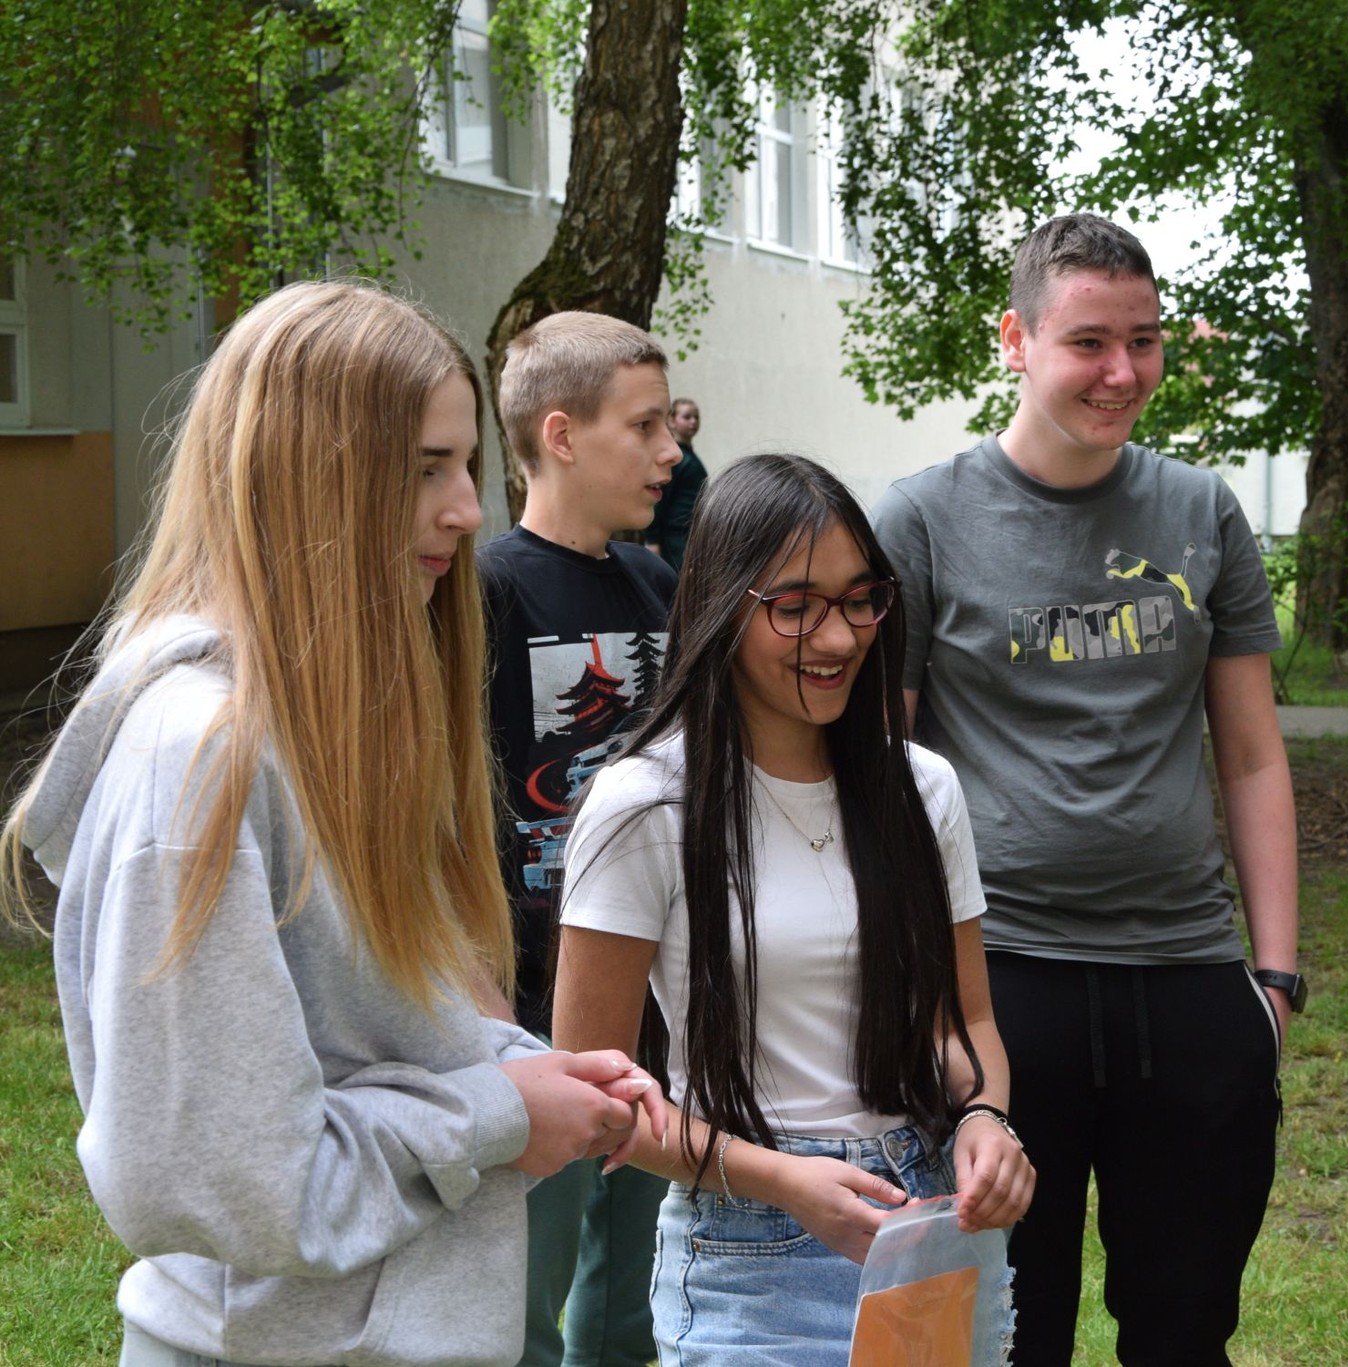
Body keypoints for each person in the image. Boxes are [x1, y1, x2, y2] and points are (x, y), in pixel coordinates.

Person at [0, 279, 662, 1367]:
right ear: (309, 476)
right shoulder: (199, 758)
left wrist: (526, 1067)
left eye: (465, 466)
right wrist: (497, 1112)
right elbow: (231, 1180)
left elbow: (377, 1033)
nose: (468, 511)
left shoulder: (338, 725)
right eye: (425, 469)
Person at [872, 213, 1301, 1366]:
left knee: (1183, 1333)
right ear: (1014, 340)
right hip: (1002, 982)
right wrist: (918, 993)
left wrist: (1271, 977)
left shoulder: (1201, 510)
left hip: (1187, 976)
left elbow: (1251, 753)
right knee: (1012, 1337)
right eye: (1088, 342)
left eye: (1143, 341)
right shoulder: (919, 520)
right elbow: (879, 772)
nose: (1122, 371)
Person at [552, 453, 1035, 1365]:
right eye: (797, 605)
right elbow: (593, 1094)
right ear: (722, 607)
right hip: (750, 1248)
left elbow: (964, 1021)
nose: (840, 636)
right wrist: (780, 1178)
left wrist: (985, 1120)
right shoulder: (645, 803)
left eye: (859, 599)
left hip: (927, 1223)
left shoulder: (922, 788)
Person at [480, 311, 684, 1367]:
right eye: (644, 426)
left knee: (631, 1298)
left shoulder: (659, 586)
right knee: (524, 1290)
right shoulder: (484, 589)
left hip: (654, 992)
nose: (671, 450)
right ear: (560, 435)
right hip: (525, 1002)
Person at [646, 398, 708, 572]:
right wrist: (652, 540)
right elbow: (658, 499)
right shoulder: (674, 459)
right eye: (687, 417)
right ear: (672, 421)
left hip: (690, 536)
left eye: (696, 417)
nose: (693, 421)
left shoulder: (689, 457)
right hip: (673, 539)